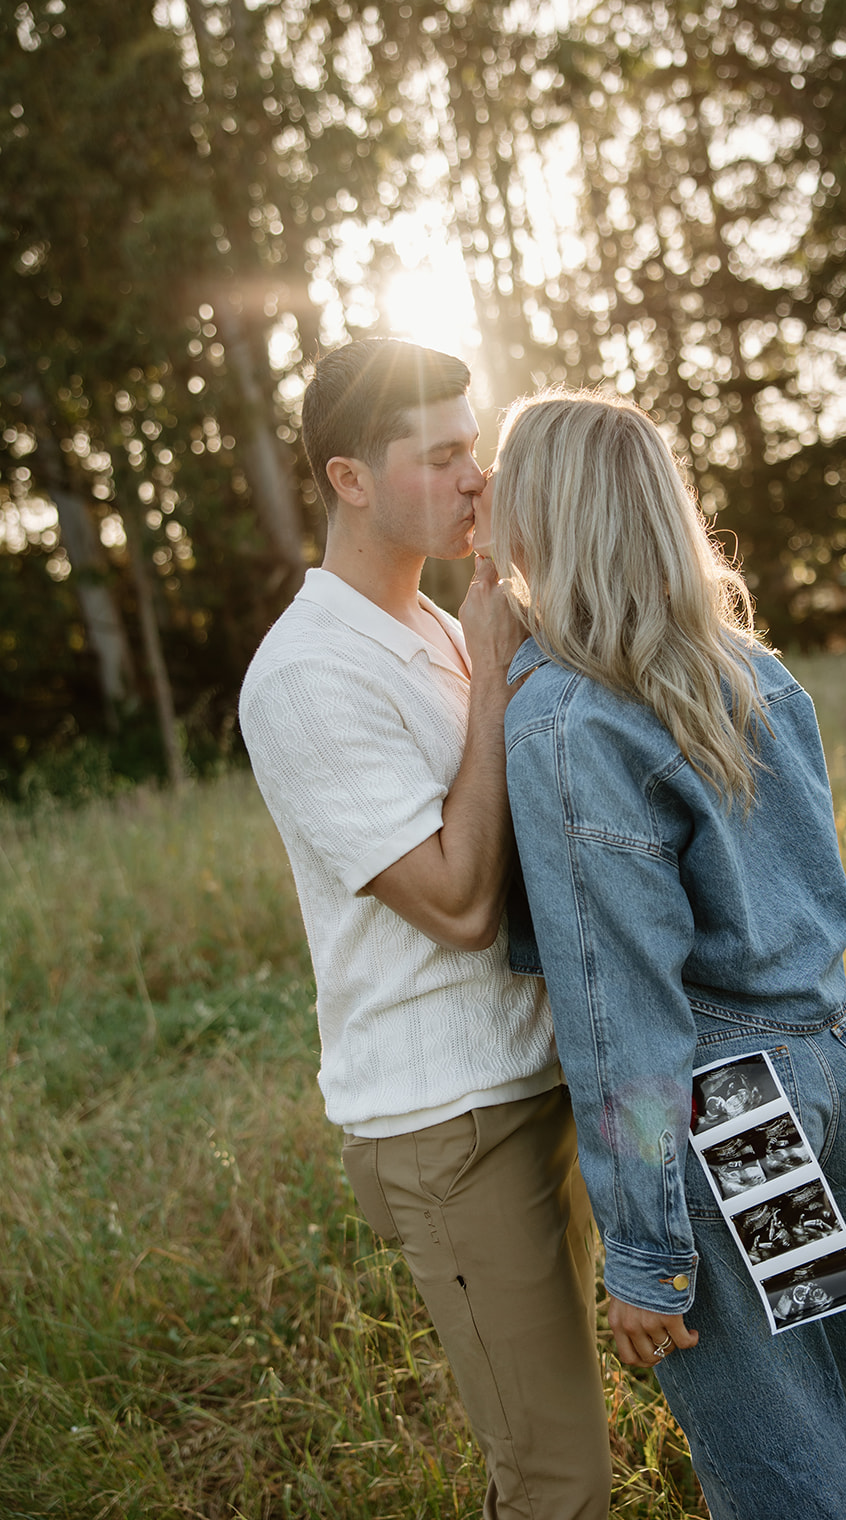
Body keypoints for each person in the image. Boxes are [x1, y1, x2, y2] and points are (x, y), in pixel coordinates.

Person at [475, 387, 846, 1520]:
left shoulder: (563, 718)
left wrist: (643, 1249)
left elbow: (617, 1009)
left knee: (787, 1473)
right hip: (840, 1064)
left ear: (540, 514)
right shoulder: (745, 667)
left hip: (733, 1110)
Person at [238, 342, 611, 1520]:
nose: (476, 481)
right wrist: (498, 672)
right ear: (350, 479)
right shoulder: (305, 673)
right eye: (442, 456)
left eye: (478, 449)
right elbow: (454, 900)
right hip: (446, 1126)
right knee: (554, 1479)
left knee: (574, 1433)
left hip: (540, 1076)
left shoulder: (445, 627)